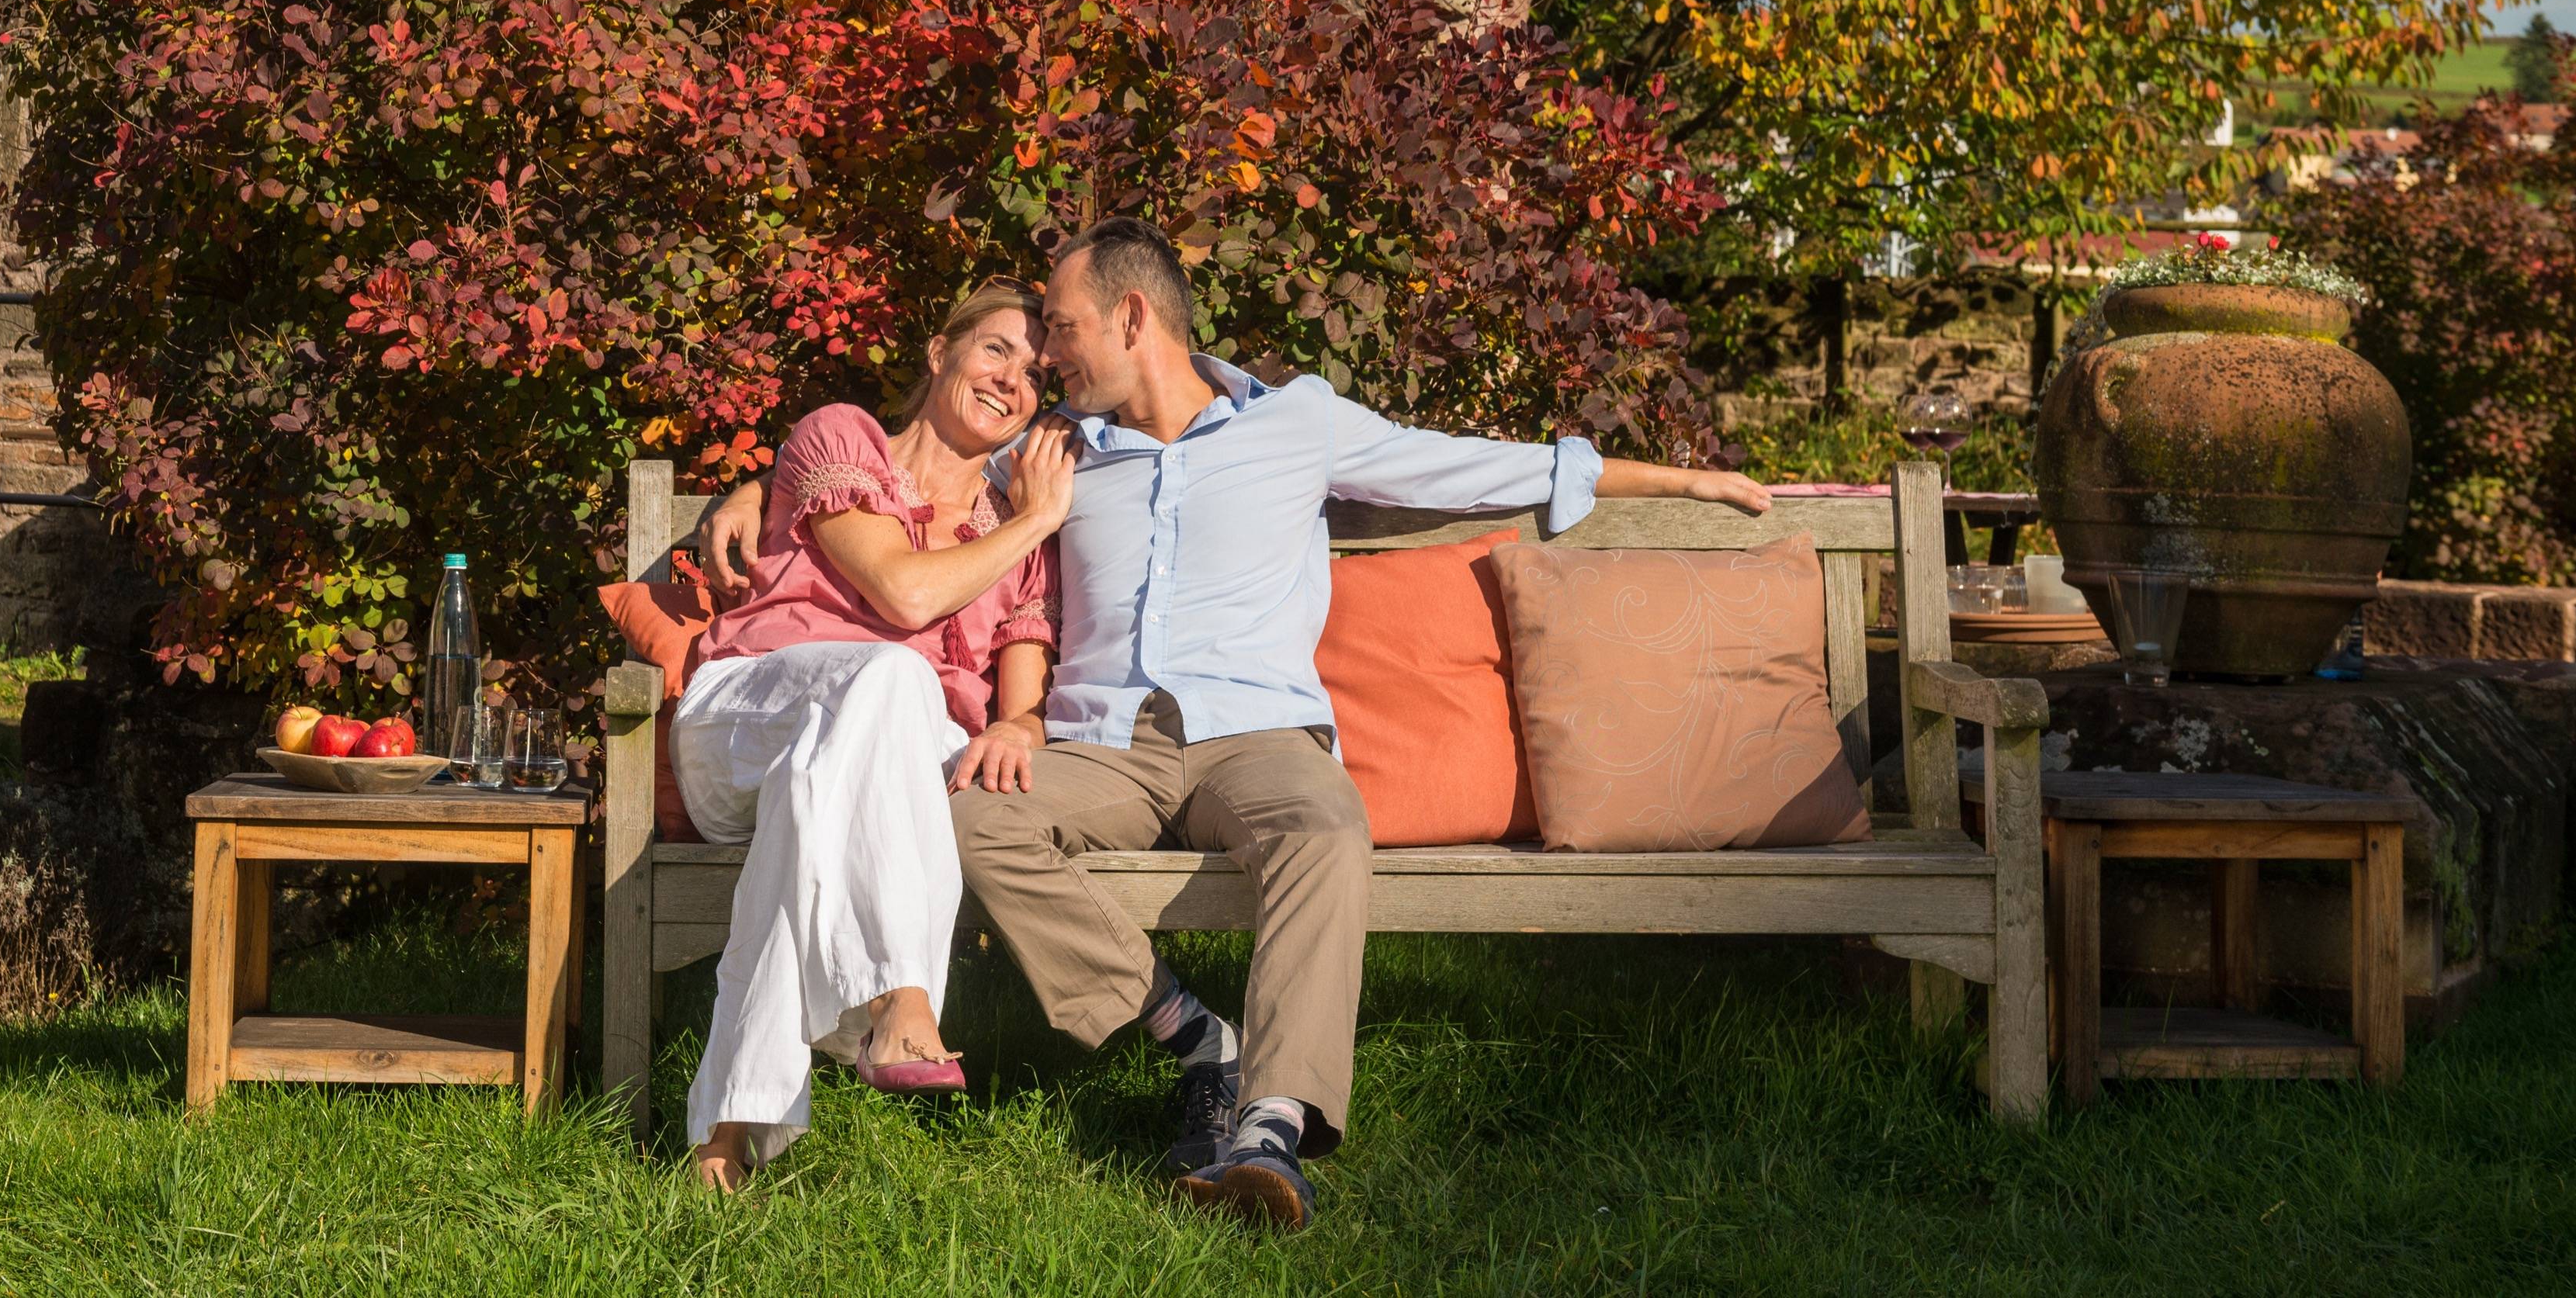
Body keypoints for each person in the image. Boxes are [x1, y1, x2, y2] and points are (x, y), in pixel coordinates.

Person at [695, 217, 1773, 1231]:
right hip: (1104, 743)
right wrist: (745, 493)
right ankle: (1188, 1034)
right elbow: (896, 466)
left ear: (1129, 320)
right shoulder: (1057, 453)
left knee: (1321, 829)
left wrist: (1685, 479)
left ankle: (1269, 1125)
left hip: (1258, 735)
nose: (1046, 363)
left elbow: (1481, 464)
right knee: (968, 815)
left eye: (1060, 333)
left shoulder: (1296, 422)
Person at [669, 281, 1077, 1191]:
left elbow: (1017, 705)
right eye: (996, 351)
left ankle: (725, 1136)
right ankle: (902, 993)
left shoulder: (1014, 534)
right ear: (940, 353)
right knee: (887, 676)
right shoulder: (841, 437)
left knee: (813, 802)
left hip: (860, 775)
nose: (1013, 380)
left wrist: (1019, 724)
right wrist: (1039, 519)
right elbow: (906, 595)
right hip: (743, 721)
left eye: (1036, 375)